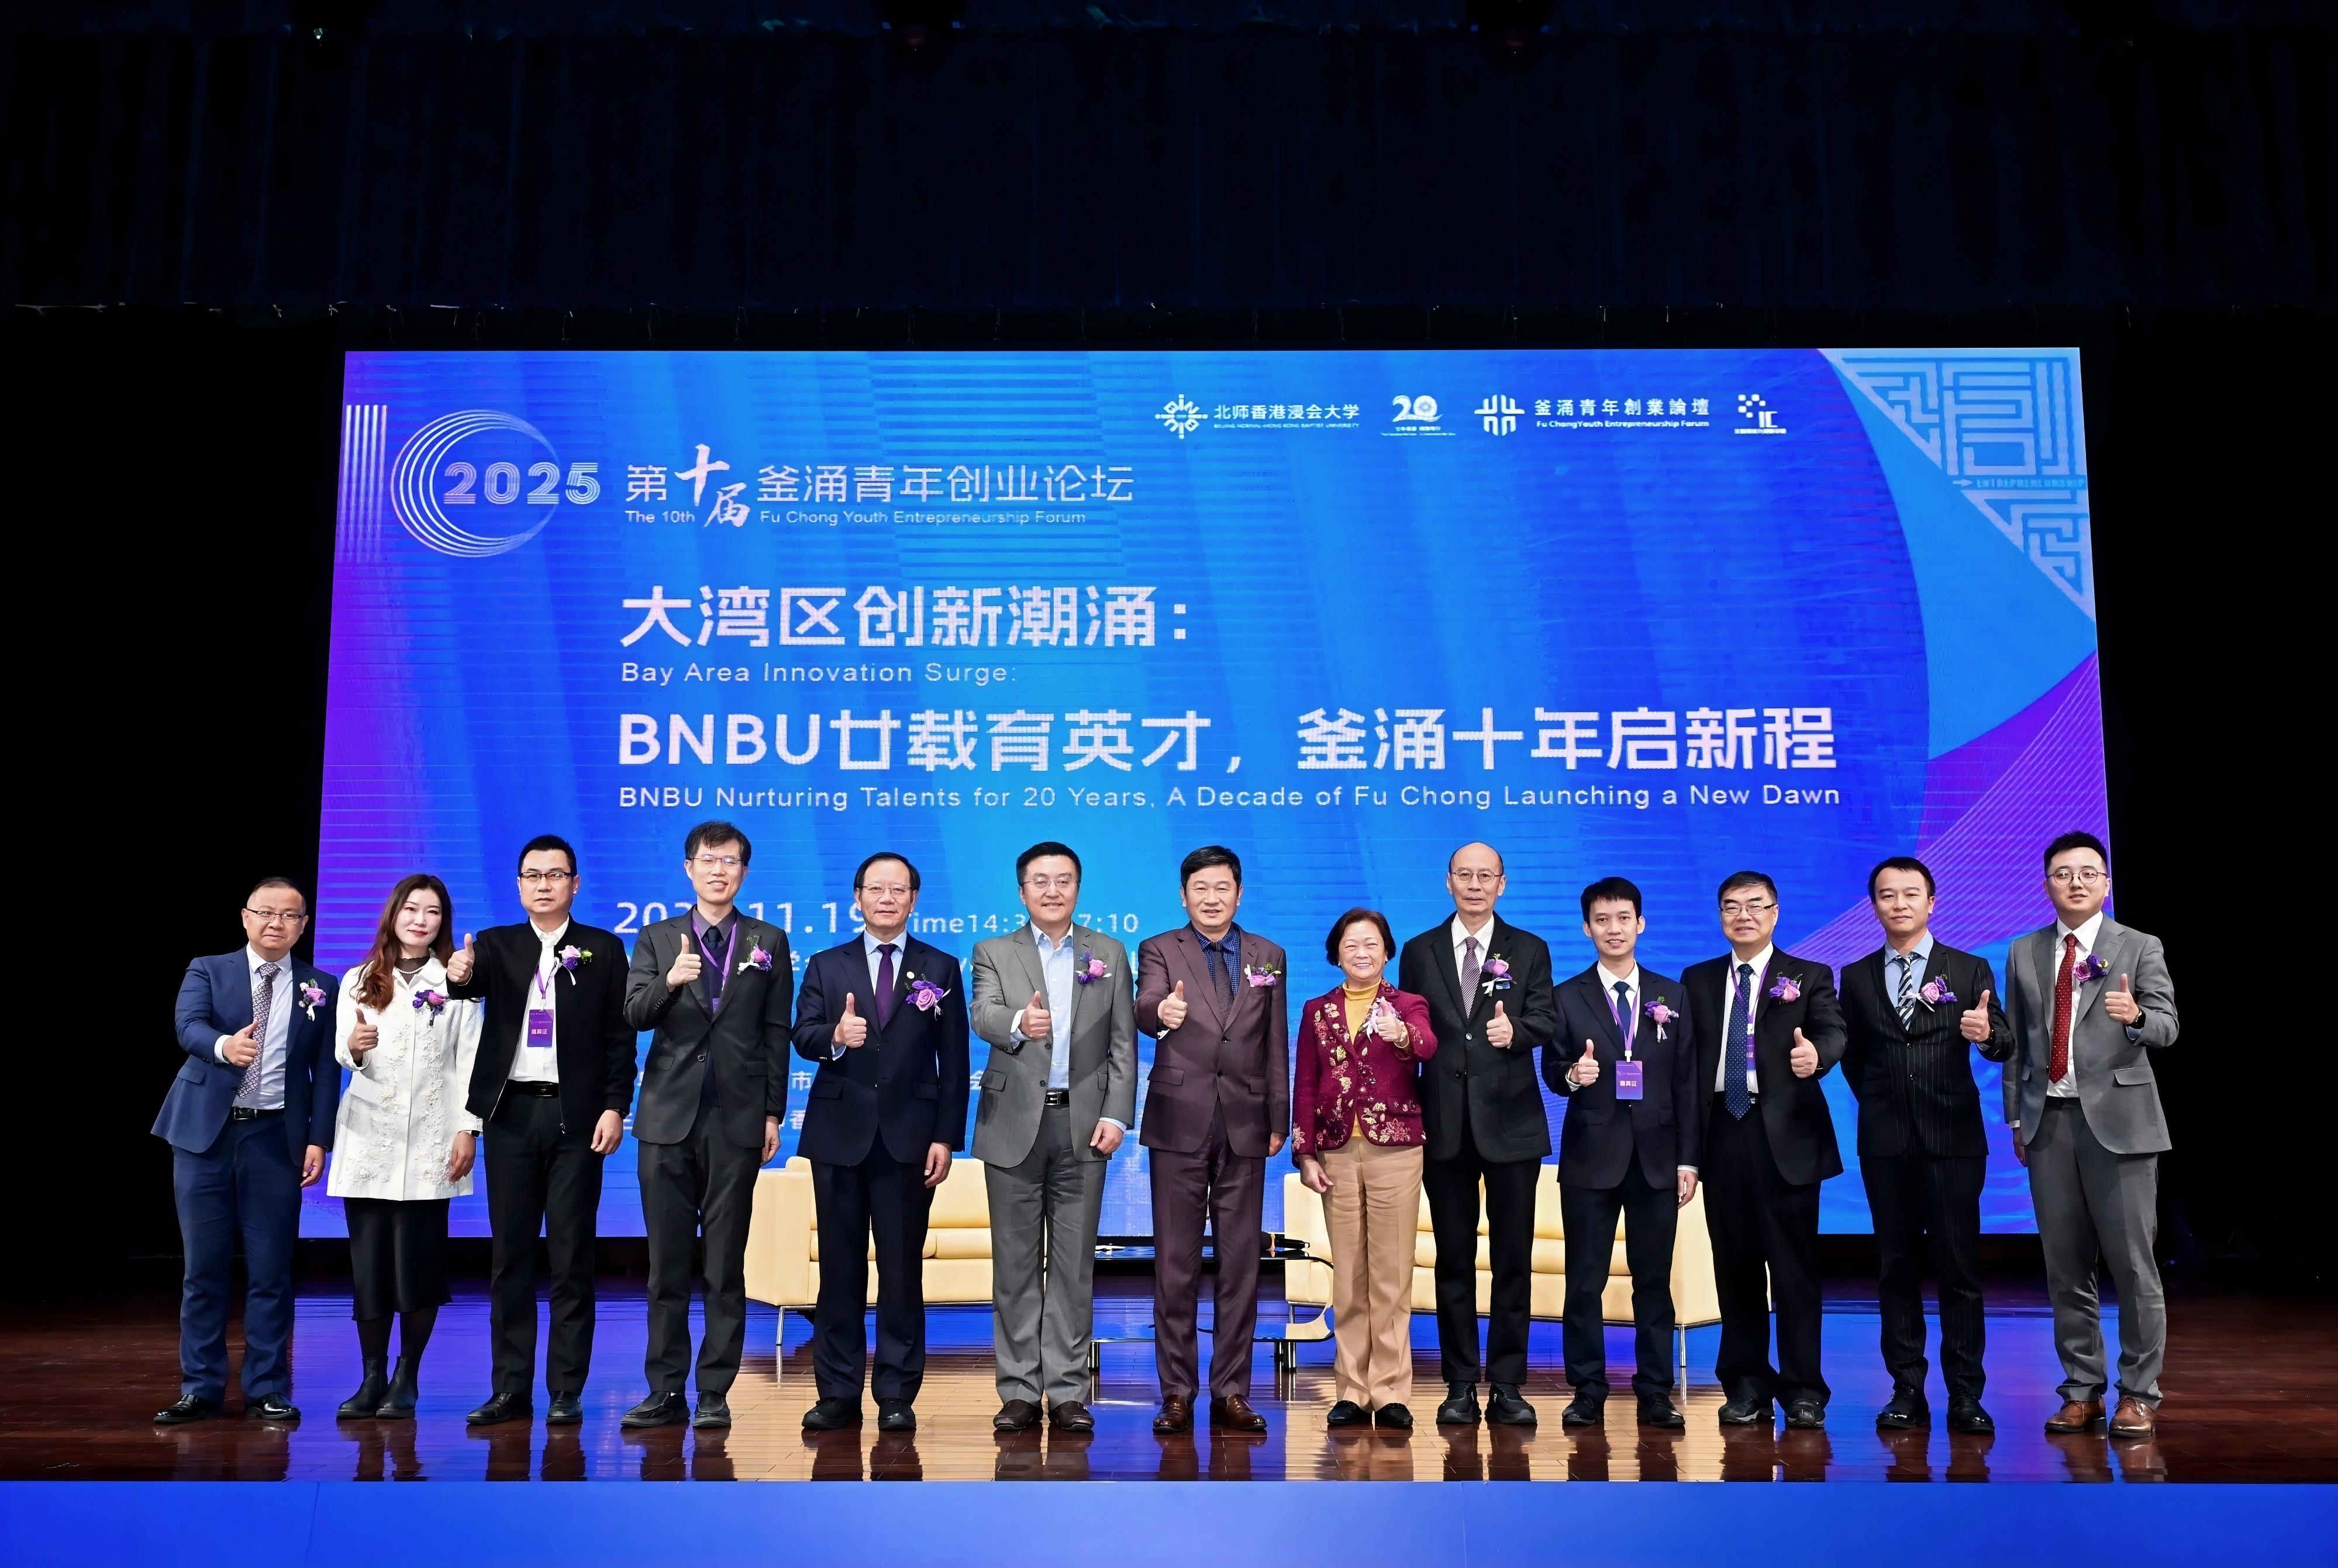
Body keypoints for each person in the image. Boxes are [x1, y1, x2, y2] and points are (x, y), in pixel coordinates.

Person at [446, 834, 636, 1427]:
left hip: (577, 1118)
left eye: (556, 875)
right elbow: (465, 985)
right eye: (533, 875)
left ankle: (565, 1389)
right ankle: (509, 1389)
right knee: (510, 1257)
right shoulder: (496, 945)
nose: (544, 885)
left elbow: (620, 1037)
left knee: (572, 1255)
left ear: (575, 884)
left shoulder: (602, 948)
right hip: (510, 1116)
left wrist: (615, 1106)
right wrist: (458, 973)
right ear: (519, 885)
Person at [2002, 831, 2180, 1441]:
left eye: (2086, 873)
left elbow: (2167, 1027)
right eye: (2062, 873)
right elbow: (2019, 1043)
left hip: (2121, 1127)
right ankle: (2081, 1390)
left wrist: (2136, 1019)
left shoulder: (2138, 945)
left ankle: (2138, 1394)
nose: (2074, 882)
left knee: (2132, 1267)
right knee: (2064, 1267)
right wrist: (2016, 1117)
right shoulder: (2024, 950)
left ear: (2105, 882)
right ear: (2045, 885)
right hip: (2048, 1123)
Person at [620, 821, 794, 1431]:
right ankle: (665, 1389)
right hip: (667, 1118)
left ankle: (715, 1390)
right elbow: (634, 1014)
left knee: (724, 1265)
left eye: (730, 862)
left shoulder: (768, 939)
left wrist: (772, 1112)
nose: (719, 871)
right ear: (688, 868)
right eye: (708, 860)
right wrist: (669, 982)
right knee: (666, 1265)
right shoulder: (656, 938)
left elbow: (776, 1031)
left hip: (737, 1119)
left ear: (744, 872)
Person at [792, 852, 971, 1434]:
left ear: (913, 900)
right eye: (876, 889)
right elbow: (802, 1035)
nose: (887, 898)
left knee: (900, 1273)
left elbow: (954, 1061)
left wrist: (946, 1137)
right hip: (838, 1137)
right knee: (839, 1271)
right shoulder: (826, 964)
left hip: (910, 1140)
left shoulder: (940, 967)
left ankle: (896, 1392)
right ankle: (837, 1393)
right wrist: (835, 1035)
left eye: (898, 890)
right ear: (858, 898)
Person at [153, 879, 340, 1424]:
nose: (276, 923)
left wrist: (318, 1138)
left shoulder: (320, 985)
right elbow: (188, 1026)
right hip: (205, 1137)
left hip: (275, 1138)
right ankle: (200, 1388)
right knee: (203, 1270)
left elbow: (325, 1072)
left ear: (303, 925)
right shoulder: (208, 969)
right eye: (265, 912)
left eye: (289, 915)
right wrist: (223, 1046)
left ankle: (267, 1387)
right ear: (245, 917)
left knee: (271, 1271)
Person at [1840, 855, 2014, 1436]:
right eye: (1887, 895)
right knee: (1895, 1268)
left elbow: (2004, 1041)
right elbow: (1855, 1059)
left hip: (1952, 1138)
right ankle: (1906, 1390)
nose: (1899, 904)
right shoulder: (1855, 976)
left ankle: (1965, 1395)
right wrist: (1884, 1101)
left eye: (1910, 893)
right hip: (1885, 1140)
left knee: (1958, 1268)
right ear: (1874, 906)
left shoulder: (1967, 968)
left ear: (1931, 902)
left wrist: (1986, 1036)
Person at [969, 841, 1136, 1435]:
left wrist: (1118, 1116)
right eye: (1039, 881)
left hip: (1083, 1125)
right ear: (1022, 892)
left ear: (1078, 888)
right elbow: (982, 1014)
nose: (1052, 890)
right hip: (1013, 1123)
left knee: (1073, 1267)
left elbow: (1123, 1042)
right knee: (1014, 1266)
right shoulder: (993, 951)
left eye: (1063, 880)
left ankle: (1066, 1391)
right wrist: (1020, 1022)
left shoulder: (1107, 952)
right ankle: (1018, 1390)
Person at [1394, 842, 1557, 1429]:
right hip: (1443, 1125)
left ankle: (1508, 1384)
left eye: (1485, 876)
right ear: (1447, 882)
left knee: (1513, 1260)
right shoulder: (1419, 950)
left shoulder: (1529, 949)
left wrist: (1516, 1033)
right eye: (1464, 874)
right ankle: (1459, 1383)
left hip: (1511, 1124)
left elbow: (1546, 1019)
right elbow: (1414, 1031)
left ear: (1501, 884)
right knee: (1453, 1261)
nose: (1474, 885)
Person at [1682, 869, 1846, 1429]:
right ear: (1720, 916)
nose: (1743, 915)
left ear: (1775, 914)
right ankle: (1746, 1384)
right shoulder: (1697, 979)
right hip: (1722, 1133)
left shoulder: (1809, 975)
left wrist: (1816, 1057)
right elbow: (1686, 1066)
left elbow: (1833, 1031)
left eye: (1755, 905)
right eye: (1732, 906)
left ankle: (1803, 1390)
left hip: (1787, 1137)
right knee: (1735, 1268)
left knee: (1794, 1271)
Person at [1134, 845, 1290, 1435]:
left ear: (1239, 894)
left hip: (1246, 1122)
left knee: (1241, 1265)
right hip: (1179, 1119)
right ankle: (1176, 1391)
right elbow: (1145, 1005)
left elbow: (1274, 1041)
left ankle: (1231, 1391)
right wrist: (1162, 1013)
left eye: (1222, 887)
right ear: (1183, 895)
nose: (1211, 897)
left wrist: (1278, 1117)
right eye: (1200, 887)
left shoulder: (1268, 955)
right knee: (1175, 1264)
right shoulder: (1159, 948)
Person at [1543, 877, 1699, 1431]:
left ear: (1641, 924)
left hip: (1658, 1159)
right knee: (1585, 1281)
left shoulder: (1672, 995)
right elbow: (1552, 1070)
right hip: (1591, 1157)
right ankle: (1587, 1389)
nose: (1614, 929)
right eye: (1602, 920)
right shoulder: (1566, 995)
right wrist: (1573, 1074)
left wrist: (1688, 1160)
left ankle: (1655, 1390)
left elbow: (1687, 1083)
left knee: (1652, 1281)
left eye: (1623, 918)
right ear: (1587, 928)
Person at [327, 874, 482, 1421]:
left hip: (433, 1143)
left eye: (432, 912)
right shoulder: (359, 979)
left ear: (444, 922)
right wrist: (354, 1046)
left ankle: (407, 1376)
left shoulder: (459, 983)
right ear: (393, 914)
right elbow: (344, 1054)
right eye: (411, 909)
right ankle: (371, 1377)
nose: (420, 920)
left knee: (418, 1269)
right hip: (369, 1140)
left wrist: (468, 1129)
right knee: (370, 1270)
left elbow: (469, 1061)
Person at [1292, 908, 1438, 1429]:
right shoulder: (1317, 1010)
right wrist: (1305, 1152)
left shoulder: (1409, 1004)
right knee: (1350, 1276)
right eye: (1351, 944)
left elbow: (1427, 1046)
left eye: (1371, 944)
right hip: (1335, 1150)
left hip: (1395, 1149)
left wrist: (1400, 1034)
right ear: (1336, 953)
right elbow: (1305, 1081)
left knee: (1391, 1273)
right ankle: (1352, 1390)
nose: (1361, 952)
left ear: (1387, 952)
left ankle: (1391, 1391)